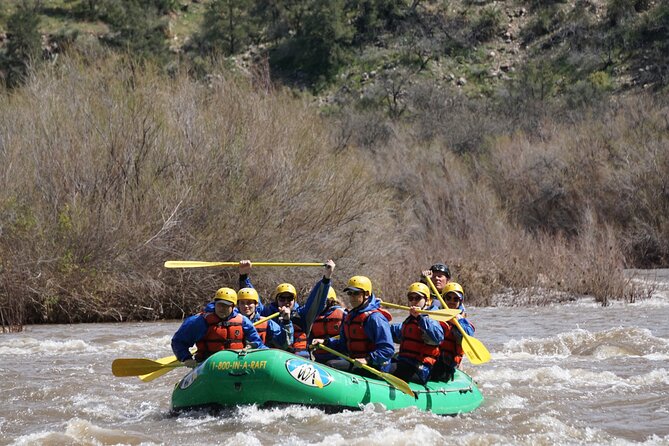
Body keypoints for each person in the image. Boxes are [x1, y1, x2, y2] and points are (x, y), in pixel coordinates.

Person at [240, 259, 335, 358]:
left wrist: (326, 278)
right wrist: (243, 277)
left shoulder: (303, 315)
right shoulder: (267, 313)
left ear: (294, 300)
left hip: (299, 359)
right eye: (282, 298)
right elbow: (251, 298)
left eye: (289, 298)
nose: (286, 302)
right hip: (274, 359)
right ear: (277, 300)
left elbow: (316, 300)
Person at [315, 275, 394, 376]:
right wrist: (325, 342)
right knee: (328, 363)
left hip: (374, 366)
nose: (352, 297)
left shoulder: (375, 318)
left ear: (366, 294)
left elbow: (387, 350)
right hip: (356, 362)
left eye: (356, 293)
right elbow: (343, 345)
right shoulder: (350, 316)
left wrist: (367, 359)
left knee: (331, 365)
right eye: (350, 293)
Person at [171, 287, 267, 368]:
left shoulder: (243, 321)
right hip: (207, 365)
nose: (221, 308)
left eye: (226, 306)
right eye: (219, 305)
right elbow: (178, 341)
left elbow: (257, 343)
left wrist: (252, 346)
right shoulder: (199, 321)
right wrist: (186, 358)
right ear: (215, 304)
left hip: (235, 364)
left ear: (233, 307)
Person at [390, 282, 444, 384]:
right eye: (411, 298)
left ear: (427, 301)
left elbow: (438, 337)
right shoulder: (409, 321)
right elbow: (391, 332)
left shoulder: (431, 319)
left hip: (420, 369)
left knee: (389, 368)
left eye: (418, 298)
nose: (414, 301)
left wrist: (420, 317)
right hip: (405, 363)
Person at [431, 282, 475, 382]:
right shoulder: (434, 315)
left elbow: (468, 336)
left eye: (455, 299)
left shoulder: (463, 322)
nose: (451, 301)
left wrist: (457, 322)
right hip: (432, 360)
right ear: (443, 299)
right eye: (448, 298)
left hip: (447, 365)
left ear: (460, 302)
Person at [310, 286, 347, 364]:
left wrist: (325, 341)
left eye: (322, 301)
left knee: (331, 363)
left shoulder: (344, 314)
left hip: (340, 357)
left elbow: (347, 337)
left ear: (330, 301)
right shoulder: (312, 316)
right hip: (319, 358)